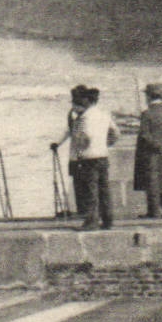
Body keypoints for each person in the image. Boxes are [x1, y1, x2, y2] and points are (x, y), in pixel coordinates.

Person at [57, 85, 115, 230]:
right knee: (104, 190)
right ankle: (108, 220)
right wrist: (104, 144)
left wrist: (80, 152)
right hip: (103, 156)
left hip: (88, 159)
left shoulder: (83, 119)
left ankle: (91, 221)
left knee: (91, 191)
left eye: (75, 104)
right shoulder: (104, 114)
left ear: (83, 103)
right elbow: (115, 133)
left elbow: (83, 138)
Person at [134, 83, 162, 219]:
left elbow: (145, 135)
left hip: (151, 154)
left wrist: (157, 145)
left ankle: (154, 212)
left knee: (152, 182)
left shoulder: (147, 114)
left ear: (149, 97)